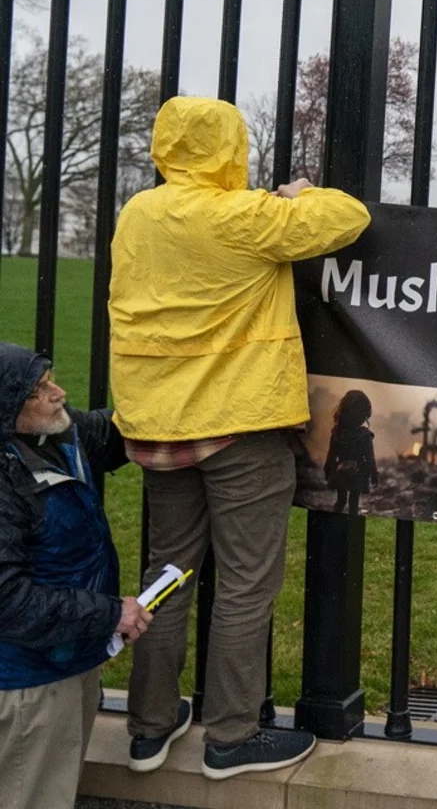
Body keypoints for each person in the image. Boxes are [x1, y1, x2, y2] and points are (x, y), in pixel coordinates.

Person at [110, 96, 371, 781]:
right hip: (238, 429)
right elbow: (349, 217)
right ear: (229, 149)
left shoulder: (138, 213)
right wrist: (300, 194)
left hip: (160, 430)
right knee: (247, 585)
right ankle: (231, 735)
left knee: (167, 575)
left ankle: (148, 726)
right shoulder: (242, 216)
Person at [0, 345, 148, 809]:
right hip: (30, 685)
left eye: (52, 380)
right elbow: (11, 603)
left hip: (67, 666)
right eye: (40, 390)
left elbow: (114, 431)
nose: (58, 393)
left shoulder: (54, 436)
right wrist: (109, 613)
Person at [323, 390, 378, 516]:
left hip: (340, 471)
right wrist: (374, 473)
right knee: (353, 503)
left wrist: (328, 468)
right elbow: (370, 458)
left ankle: (333, 520)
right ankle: (352, 525)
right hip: (357, 474)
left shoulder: (337, 432)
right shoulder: (365, 435)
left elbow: (331, 454)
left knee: (341, 501)